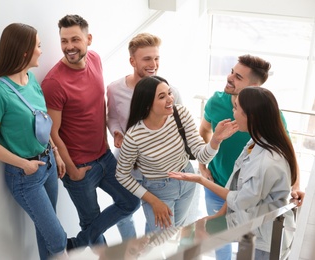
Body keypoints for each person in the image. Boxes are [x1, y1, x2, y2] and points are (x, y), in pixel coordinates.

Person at [41, 14, 140, 250]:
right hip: (79, 167)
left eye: (75, 39)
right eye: (64, 41)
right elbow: (52, 134)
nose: (69, 47)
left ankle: (78, 243)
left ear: (89, 39)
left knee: (131, 201)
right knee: (91, 220)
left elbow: (99, 107)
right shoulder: (54, 83)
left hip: (104, 156)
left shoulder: (95, 59)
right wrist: (72, 171)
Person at [169, 87, 299, 259]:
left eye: (236, 108)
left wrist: (201, 180)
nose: (232, 111)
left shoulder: (267, 161)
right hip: (251, 228)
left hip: (265, 239)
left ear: (250, 116)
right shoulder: (255, 142)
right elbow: (235, 181)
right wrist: (218, 215)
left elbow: (241, 200)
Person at [198, 54, 302, 259]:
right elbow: (204, 131)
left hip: (252, 197)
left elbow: (287, 150)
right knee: (221, 240)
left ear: (254, 86)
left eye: (238, 77)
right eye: (231, 72)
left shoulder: (269, 116)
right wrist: (203, 165)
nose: (230, 78)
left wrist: (296, 188)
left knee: (249, 241)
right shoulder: (216, 102)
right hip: (219, 184)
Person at [0, 23, 67, 260]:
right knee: (58, 237)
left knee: (46, 233)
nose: (42, 50)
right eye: (38, 46)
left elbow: (43, 120)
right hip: (25, 175)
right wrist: (24, 164)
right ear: (25, 51)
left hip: (47, 163)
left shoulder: (31, 80)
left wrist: (56, 152)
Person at [115, 75, 238, 234]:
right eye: (162, 96)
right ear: (147, 105)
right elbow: (122, 175)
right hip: (159, 191)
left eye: (169, 93)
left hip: (187, 181)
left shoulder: (180, 114)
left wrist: (216, 140)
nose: (170, 99)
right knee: (162, 240)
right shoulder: (134, 136)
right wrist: (153, 201)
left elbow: (202, 156)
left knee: (172, 236)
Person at [106, 32, 183, 240]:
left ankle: (147, 250)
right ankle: (131, 250)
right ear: (132, 60)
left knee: (155, 219)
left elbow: (178, 129)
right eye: (147, 59)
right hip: (126, 163)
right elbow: (111, 116)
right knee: (123, 212)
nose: (153, 64)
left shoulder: (170, 91)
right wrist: (116, 131)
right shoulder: (114, 89)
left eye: (156, 58)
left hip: (156, 169)